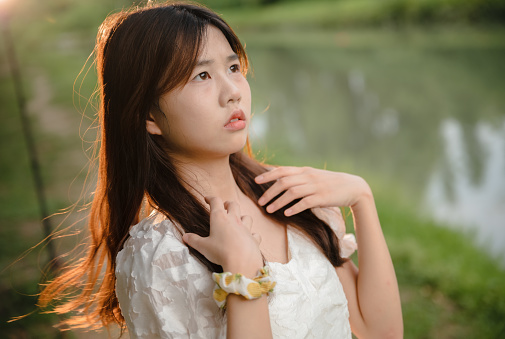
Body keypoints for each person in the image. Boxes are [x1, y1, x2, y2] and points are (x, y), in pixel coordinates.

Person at [39, 1, 403, 338]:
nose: (233, 92)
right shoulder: (161, 256)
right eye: (201, 76)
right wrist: (242, 273)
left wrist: (361, 197)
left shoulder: (288, 196)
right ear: (149, 115)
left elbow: (381, 330)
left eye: (232, 67)